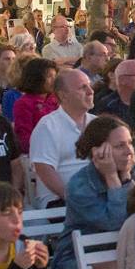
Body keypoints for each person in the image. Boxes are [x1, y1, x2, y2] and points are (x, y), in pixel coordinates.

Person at [30, 68, 96, 206]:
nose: (91, 91)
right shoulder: (48, 126)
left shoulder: (97, 123)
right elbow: (43, 168)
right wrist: (72, 197)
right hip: (60, 200)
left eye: (90, 86)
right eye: (83, 88)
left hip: (96, 197)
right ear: (63, 95)